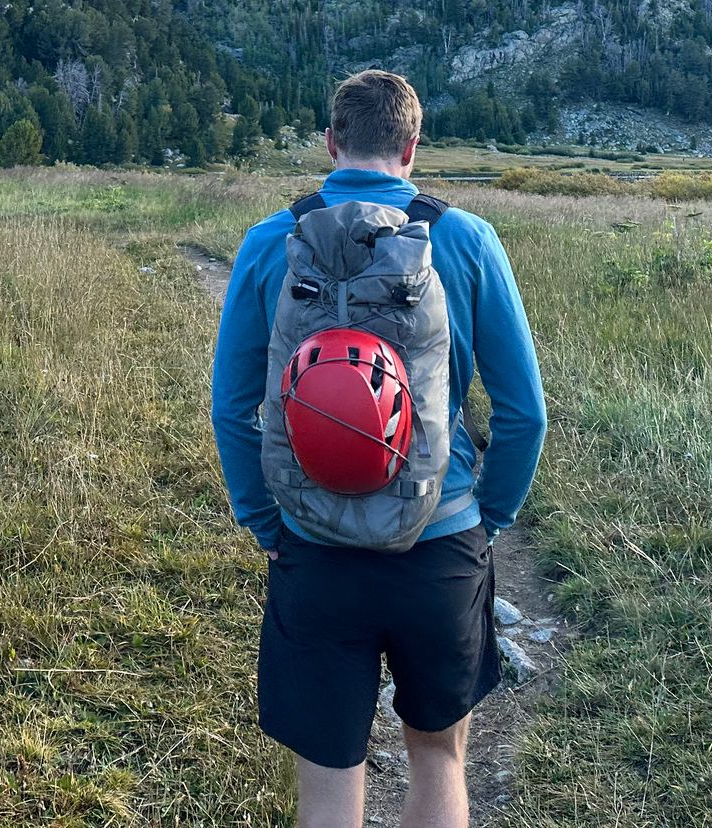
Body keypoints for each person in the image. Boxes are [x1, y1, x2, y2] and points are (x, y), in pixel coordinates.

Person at [211, 70, 547, 828]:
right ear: (412, 147)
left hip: (314, 551)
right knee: (438, 758)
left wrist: (266, 525)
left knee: (330, 785)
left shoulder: (272, 240)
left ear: (330, 143)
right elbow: (525, 413)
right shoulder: (465, 239)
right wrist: (484, 522)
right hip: (442, 545)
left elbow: (233, 410)